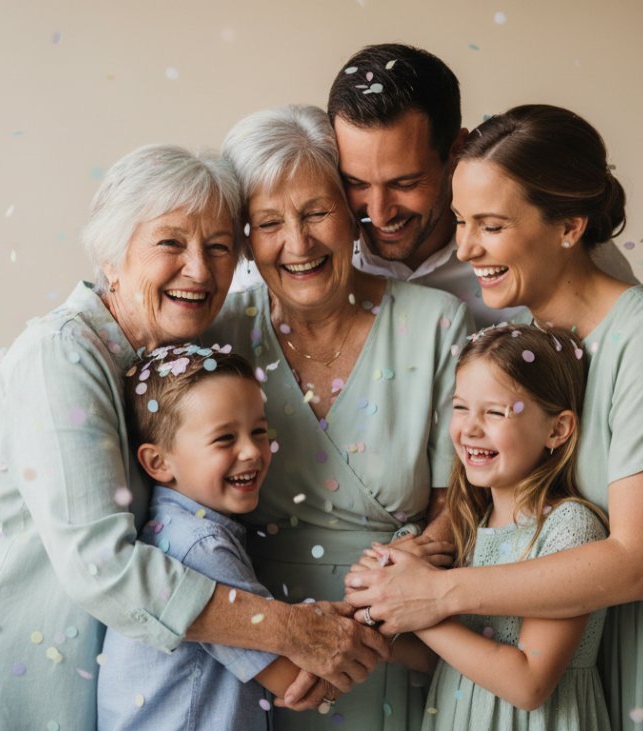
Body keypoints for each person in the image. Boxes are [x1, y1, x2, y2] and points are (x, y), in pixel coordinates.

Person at [0, 144, 385, 731]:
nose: (199, 270)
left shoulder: (173, 360)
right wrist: (287, 630)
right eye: (170, 243)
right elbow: (102, 566)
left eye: (220, 247)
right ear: (112, 258)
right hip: (6, 680)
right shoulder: (64, 354)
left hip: (86, 685)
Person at [345, 105, 643, 730]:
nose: (465, 248)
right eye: (462, 221)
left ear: (570, 227)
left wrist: (438, 594)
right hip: (563, 650)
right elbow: (520, 502)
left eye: (490, 225)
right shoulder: (525, 338)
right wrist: (417, 555)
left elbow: (637, 562)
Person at [232, 42, 643, 465]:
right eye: (356, 184)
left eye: (406, 182)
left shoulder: (538, 246)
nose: (379, 210)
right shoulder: (308, 261)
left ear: (456, 150)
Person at [205, 104, 473, 730]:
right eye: (268, 222)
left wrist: (384, 599)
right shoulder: (217, 337)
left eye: (316, 213)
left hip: (397, 638)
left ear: (351, 217)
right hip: (259, 651)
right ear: (246, 237)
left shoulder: (435, 324)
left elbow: (459, 503)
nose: (297, 244)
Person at [98, 345, 337, 730]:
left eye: (259, 431)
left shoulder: (172, 529)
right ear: (158, 462)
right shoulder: (201, 546)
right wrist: (373, 613)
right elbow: (295, 681)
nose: (252, 451)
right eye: (225, 439)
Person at [385, 324, 612, 731]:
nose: (470, 428)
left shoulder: (570, 528)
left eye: (495, 412)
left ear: (556, 429)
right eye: (460, 407)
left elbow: (529, 684)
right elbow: (448, 657)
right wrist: (385, 617)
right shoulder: (472, 524)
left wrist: (415, 604)